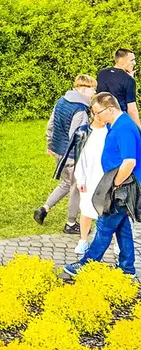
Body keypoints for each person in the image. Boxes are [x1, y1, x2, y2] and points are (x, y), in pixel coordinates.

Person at [64, 92, 141, 278]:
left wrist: (114, 184)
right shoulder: (116, 125)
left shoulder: (124, 128)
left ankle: (87, 264)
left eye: (98, 112)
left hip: (123, 185)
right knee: (122, 226)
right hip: (120, 183)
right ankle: (127, 268)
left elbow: (129, 162)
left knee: (105, 225)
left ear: (110, 108)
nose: (95, 117)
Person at [33, 75, 97, 234]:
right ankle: (71, 224)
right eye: (92, 89)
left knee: (67, 183)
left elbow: (51, 125)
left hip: (58, 152)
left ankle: (44, 209)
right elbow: (76, 136)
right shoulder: (81, 109)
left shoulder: (61, 101)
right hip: (72, 156)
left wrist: (50, 145)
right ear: (83, 89)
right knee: (76, 188)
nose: (94, 92)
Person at [73, 106, 109, 255]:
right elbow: (79, 157)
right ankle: (83, 240)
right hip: (88, 176)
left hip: (106, 177)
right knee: (86, 209)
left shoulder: (111, 131)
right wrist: (80, 179)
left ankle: (116, 244)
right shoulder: (84, 132)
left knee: (108, 211)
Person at [97, 48, 139, 127]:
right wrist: (138, 129)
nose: (134, 63)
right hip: (118, 121)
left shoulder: (102, 73)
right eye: (132, 60)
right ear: (122, 60)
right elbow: (132, 110)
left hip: (101, 120)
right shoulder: (128, 80)